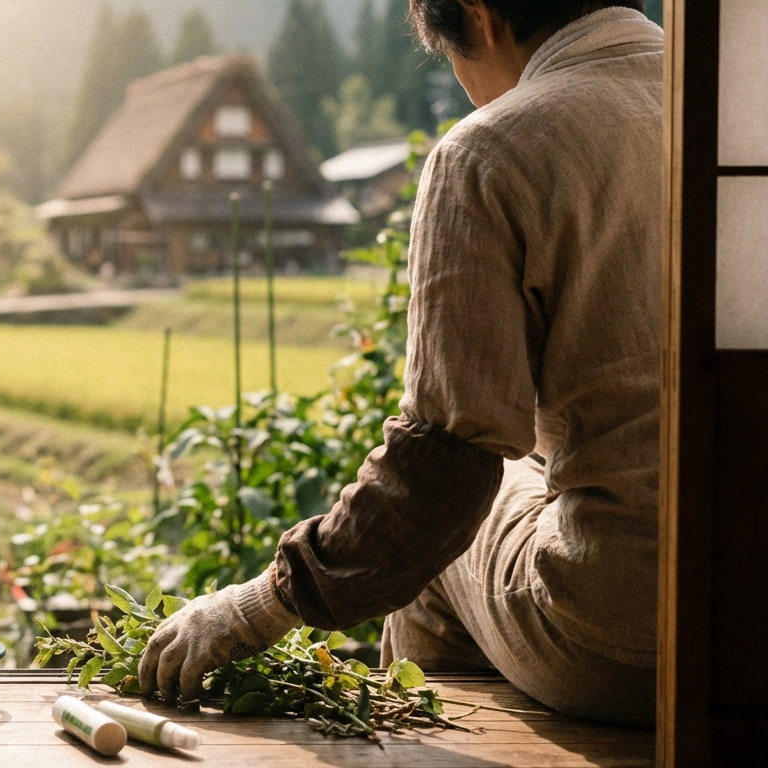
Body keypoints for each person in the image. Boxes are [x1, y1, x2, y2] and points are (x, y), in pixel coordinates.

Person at [138, 0, 662, 727]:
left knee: (458, 524)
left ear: (477, 14)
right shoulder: (730, 112)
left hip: (631, 642)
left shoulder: (493, 150)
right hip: (746, 636)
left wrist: (259, 605)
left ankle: (416, 738)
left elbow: (441, 470)